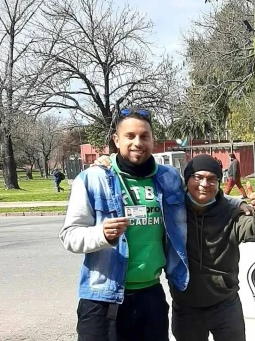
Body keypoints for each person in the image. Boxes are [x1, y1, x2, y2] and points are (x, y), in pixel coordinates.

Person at [59, 108, 189, 341]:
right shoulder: (93, 179)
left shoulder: (169, 178)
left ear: (153, 140)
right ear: (116, 140)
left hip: (151, 296)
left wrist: (238, 205)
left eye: (144, 136)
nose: (138, 142)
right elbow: (70, 236)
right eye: (130, 136)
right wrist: (102, 235)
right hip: (102, 299)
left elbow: (201, 198)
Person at [171, 154, 255, 341]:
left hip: (225, 304)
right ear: (187, 180)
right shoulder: (173, 209)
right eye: (198, 177)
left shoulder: (230, 213)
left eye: (212, 179)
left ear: (219, 183)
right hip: (186, 306)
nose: (204, 184)